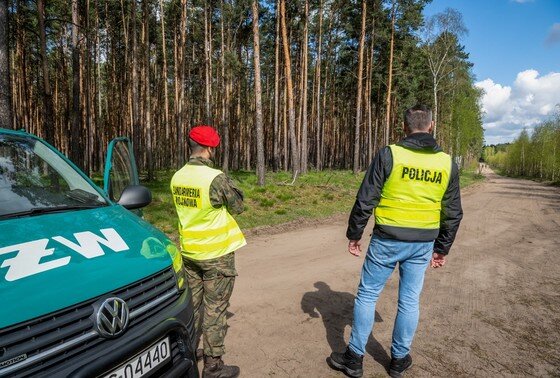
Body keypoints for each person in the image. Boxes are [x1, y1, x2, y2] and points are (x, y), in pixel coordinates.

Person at [327, 105, 463, 378]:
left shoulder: (390, 154)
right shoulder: (446, 162)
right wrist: (442, 248)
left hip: (387, 239)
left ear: (404, 126)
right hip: (423, 242)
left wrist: (355, 234)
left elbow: (366, 199)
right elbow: (453, 211)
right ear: (431, 126)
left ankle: (354, 359)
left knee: (367, 295)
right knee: (409, 301)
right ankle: (399, 361)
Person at [171, 125, 246, 378]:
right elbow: (238, 206)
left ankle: (189, 351)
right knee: (215, 309)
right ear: (210, 148)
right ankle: (213, 366)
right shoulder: (215, 177)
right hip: (216, 255)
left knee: (193, 305)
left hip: (190, 252)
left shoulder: (177, 177)